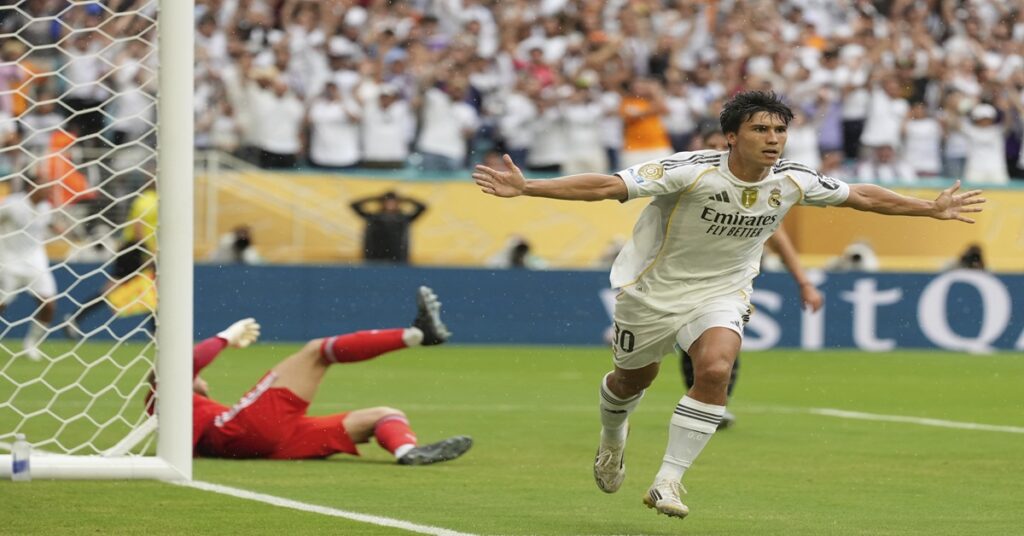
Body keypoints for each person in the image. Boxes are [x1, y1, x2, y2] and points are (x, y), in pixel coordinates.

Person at [472, 90, 985, 519]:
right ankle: (612, 438)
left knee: (715, 368)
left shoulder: (793, 179)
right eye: (762, 130)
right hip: (652, 291)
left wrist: (930, 207)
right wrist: (529, 187)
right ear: (732, 136)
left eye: (780, 131)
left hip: (723, 290)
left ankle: (668, 482)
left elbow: (861, 196)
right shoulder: (690, 170)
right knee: (633, 381)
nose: (773, 140)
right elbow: (609, 186)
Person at [159, 286, 473, 464]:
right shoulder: (167, 395)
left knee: (385, 415)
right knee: (316, 352)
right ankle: (417, 335)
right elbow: (188, 362)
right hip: (243, 433)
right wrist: (227, 335)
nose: (201, 378)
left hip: (276, 444)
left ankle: (407, 451)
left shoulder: (189, 412)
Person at [66, 181, 157, 337]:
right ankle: (75, 318)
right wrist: (147, 253)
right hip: (134, 250)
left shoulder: (154, 199)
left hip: (144, 251)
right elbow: (137, 227)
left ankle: (155, 332)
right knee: (114, 289)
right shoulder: (147, 200)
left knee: (153, 290)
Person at [0, 184, 59, 361]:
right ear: (33, 188)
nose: (49, 191)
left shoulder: (45, 207)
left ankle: (31, 344)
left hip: (36, 263)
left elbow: (50, 224)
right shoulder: (12, 204)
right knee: (2, 305)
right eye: (46, 187)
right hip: (9, 262)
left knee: (48, 305)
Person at [350, 190, 427, 264]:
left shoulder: (403, 218)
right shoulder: (374, 217)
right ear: (382, 203)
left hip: (398, 256)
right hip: (375, 256)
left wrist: (404, 199)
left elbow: (422, 207)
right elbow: (354, 205)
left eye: (393, 202)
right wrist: (376, 198)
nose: (390, 205)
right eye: (388, 202)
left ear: (397, 203)